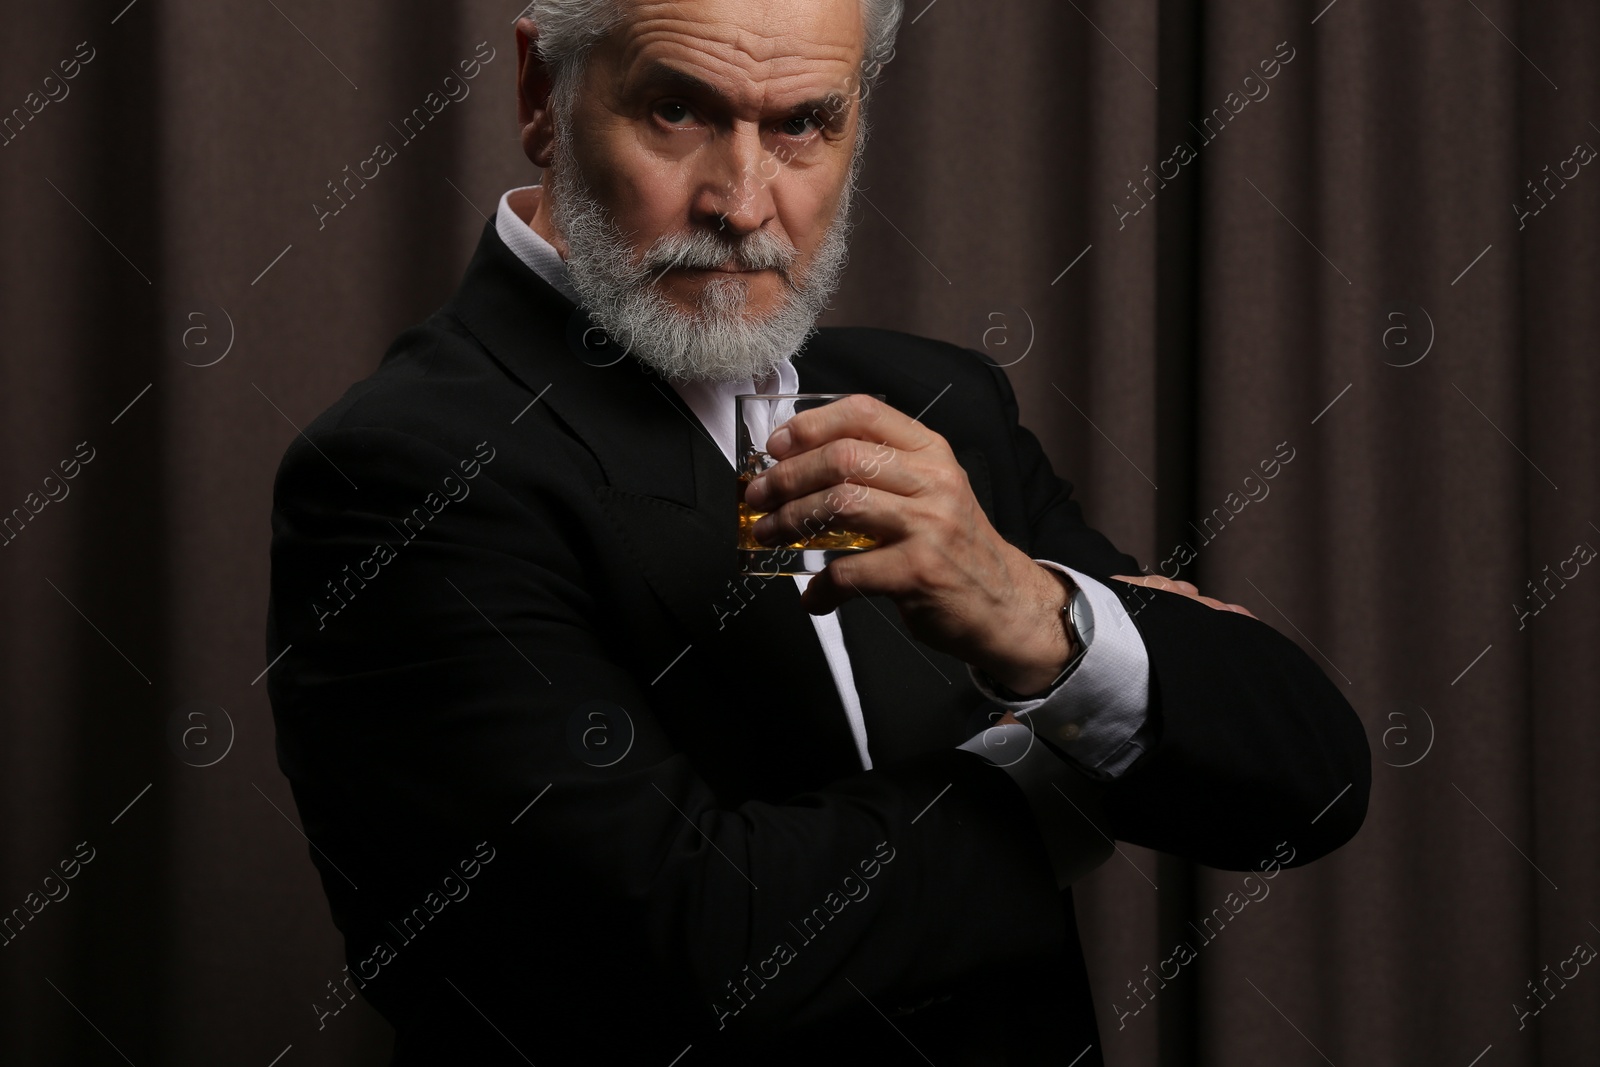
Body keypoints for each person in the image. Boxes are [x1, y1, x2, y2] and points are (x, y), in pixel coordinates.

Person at [264, 1, 1370, 1063]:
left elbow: (1307, 784)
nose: (743, 205)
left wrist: (1038, 614)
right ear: (542, 92)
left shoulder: (939, 404)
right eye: (678, 110)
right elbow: (679, 960)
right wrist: (1049, 784)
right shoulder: (404, 467)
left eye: (801, 123)